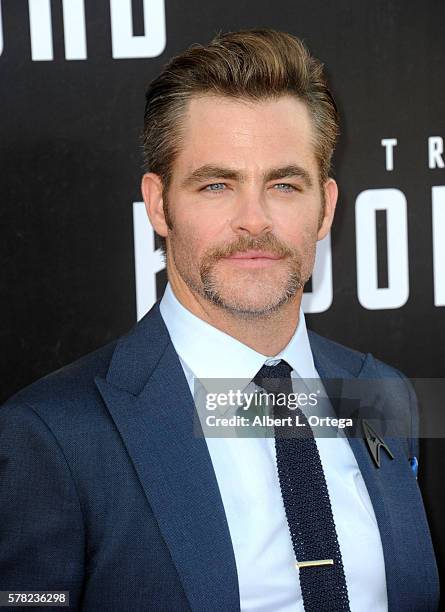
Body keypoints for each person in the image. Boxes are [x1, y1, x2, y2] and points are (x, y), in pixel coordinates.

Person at [0, 29, 439, 612]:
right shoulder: (52, 433)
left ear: (326, 206)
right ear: (159, 204)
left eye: (284, 184)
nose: (253, 220)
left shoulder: (382, 394)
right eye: (216, 185)